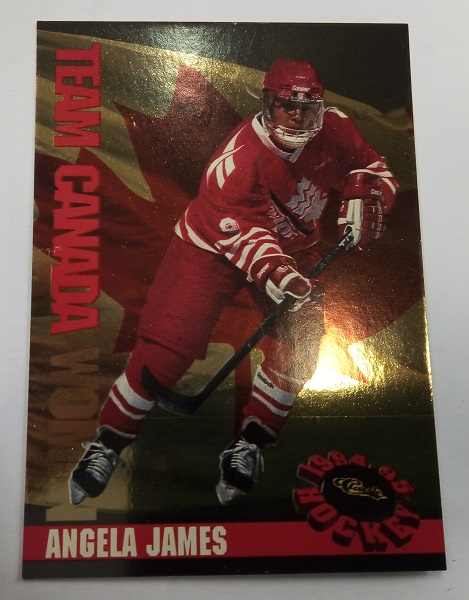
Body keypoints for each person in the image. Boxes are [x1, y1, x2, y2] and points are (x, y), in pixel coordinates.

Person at [69, 58, 398, 506]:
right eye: (286, 106)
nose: (297, 117)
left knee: (298, 349)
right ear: (267, 104)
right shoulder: (238, 161)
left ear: (320, 106)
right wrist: (280, 275)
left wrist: (370, 195)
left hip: (296, 249)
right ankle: (109, 443)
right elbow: (246, 234)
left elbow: (376, 169)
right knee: (168, 348)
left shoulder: (336, 127)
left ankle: (250, 443)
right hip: (211, 249)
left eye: (307, 107)